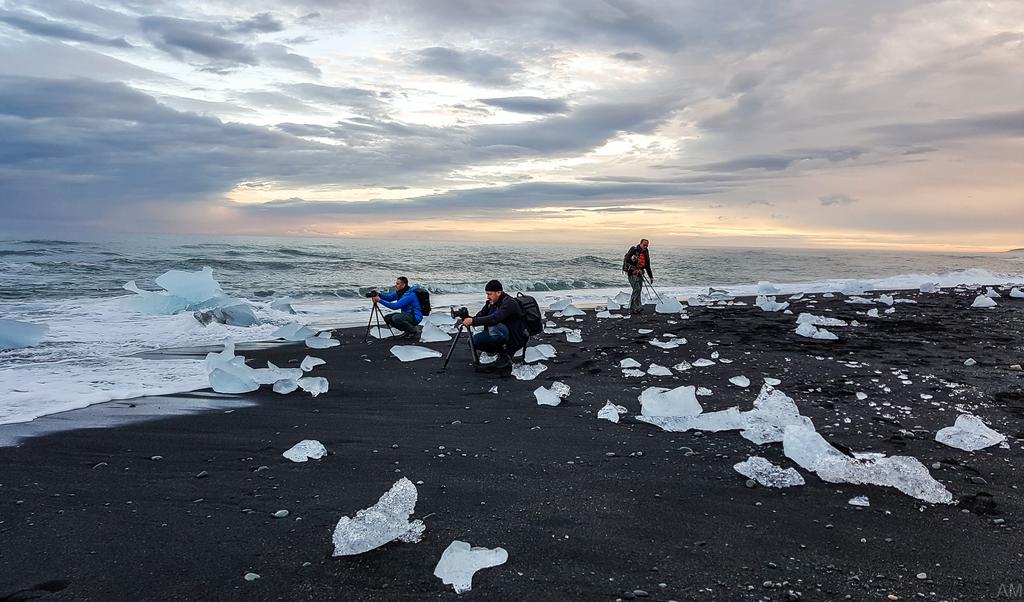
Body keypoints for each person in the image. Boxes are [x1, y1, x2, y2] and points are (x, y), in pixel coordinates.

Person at [461, 279, 527, 370]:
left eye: (489, 294)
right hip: (500, 333)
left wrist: (473, 321)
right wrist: (466, 317)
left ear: (498, 292)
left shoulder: (509, 303)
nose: (487, 297)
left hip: (514, 337)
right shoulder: (491, 303)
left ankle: (505, 355)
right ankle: (497, 352)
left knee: (494, 327)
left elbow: (494, 319)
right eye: (487, 294)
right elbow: (479, 317)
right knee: (472, 341)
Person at [622, 238, 653, 313]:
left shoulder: (646, 252)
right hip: (632, 273)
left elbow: (647, 265)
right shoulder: (634, 250)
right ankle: (633, 307)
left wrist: (651, 276)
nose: (645, 247)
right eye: (644, 245)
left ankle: (638, 307)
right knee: (637, 289)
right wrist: (633, 259)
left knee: (638, 290)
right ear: (640, 243)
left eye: (647, 245)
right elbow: (627, 259)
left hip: (640, 273)